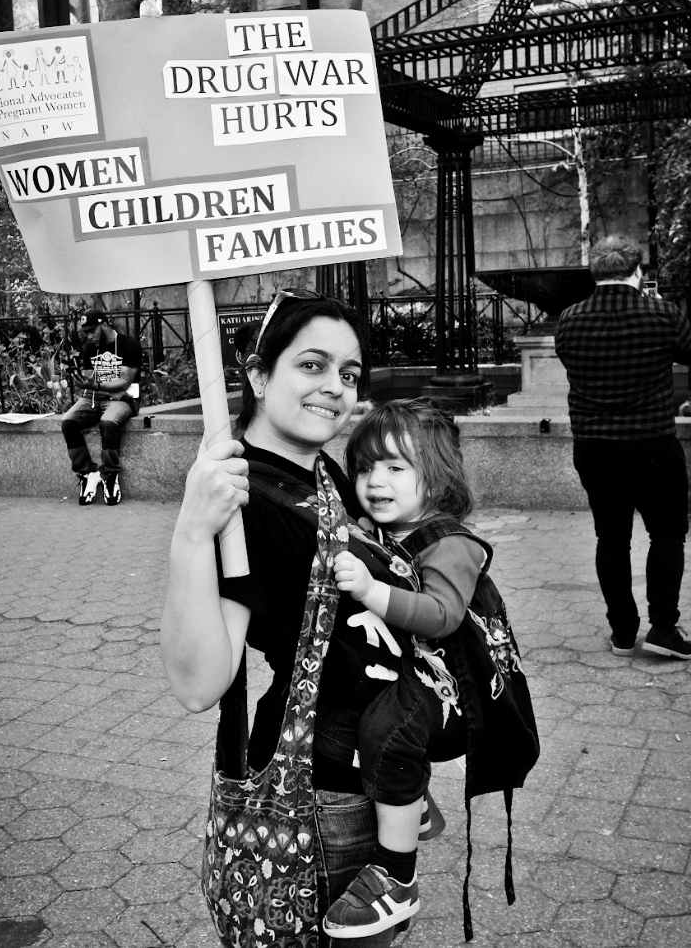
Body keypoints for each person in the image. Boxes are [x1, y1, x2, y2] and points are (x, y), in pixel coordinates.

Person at [160, 290, 426, 948]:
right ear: (258, 376)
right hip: (317, 798)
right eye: (312, 365)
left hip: (369, 771)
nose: (335, 386)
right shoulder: (241, 500)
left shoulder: (322, 470)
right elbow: (198, 685)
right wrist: (191, 534)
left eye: (349, 373)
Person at [322, 399, 483, 939]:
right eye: (365, 467)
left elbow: (441, 615)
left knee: (386, 731)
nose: (375, 481)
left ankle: (397, 877)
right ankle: (410, 800)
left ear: (436, 479)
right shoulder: (383, 529)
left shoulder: (450, 543)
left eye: (395, 467)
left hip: (447, 685)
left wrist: (372, 590)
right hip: (404, 670)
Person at [555, 234, 691, 660]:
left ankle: (623, 633)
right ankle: (663, 629)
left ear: (595, 272)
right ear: (637, 271)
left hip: (595, 448)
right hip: (652, 445)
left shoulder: (569, 319)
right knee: (667, 535)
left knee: (611, 538)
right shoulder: (663, 313)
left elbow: (569, 361)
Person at [61, 310, 143, 506]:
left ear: (105, 325)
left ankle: (110, 475)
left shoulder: (128, 345)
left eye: (92, 331)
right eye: (86, 333)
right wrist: (104, 389)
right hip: (97, 397)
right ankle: (87, 473)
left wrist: (99, 387)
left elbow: (124, 382)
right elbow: (89, 381)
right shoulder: (90, 348)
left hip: (124, 400)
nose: (89, 337)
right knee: (68, 422)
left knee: (108, 422)